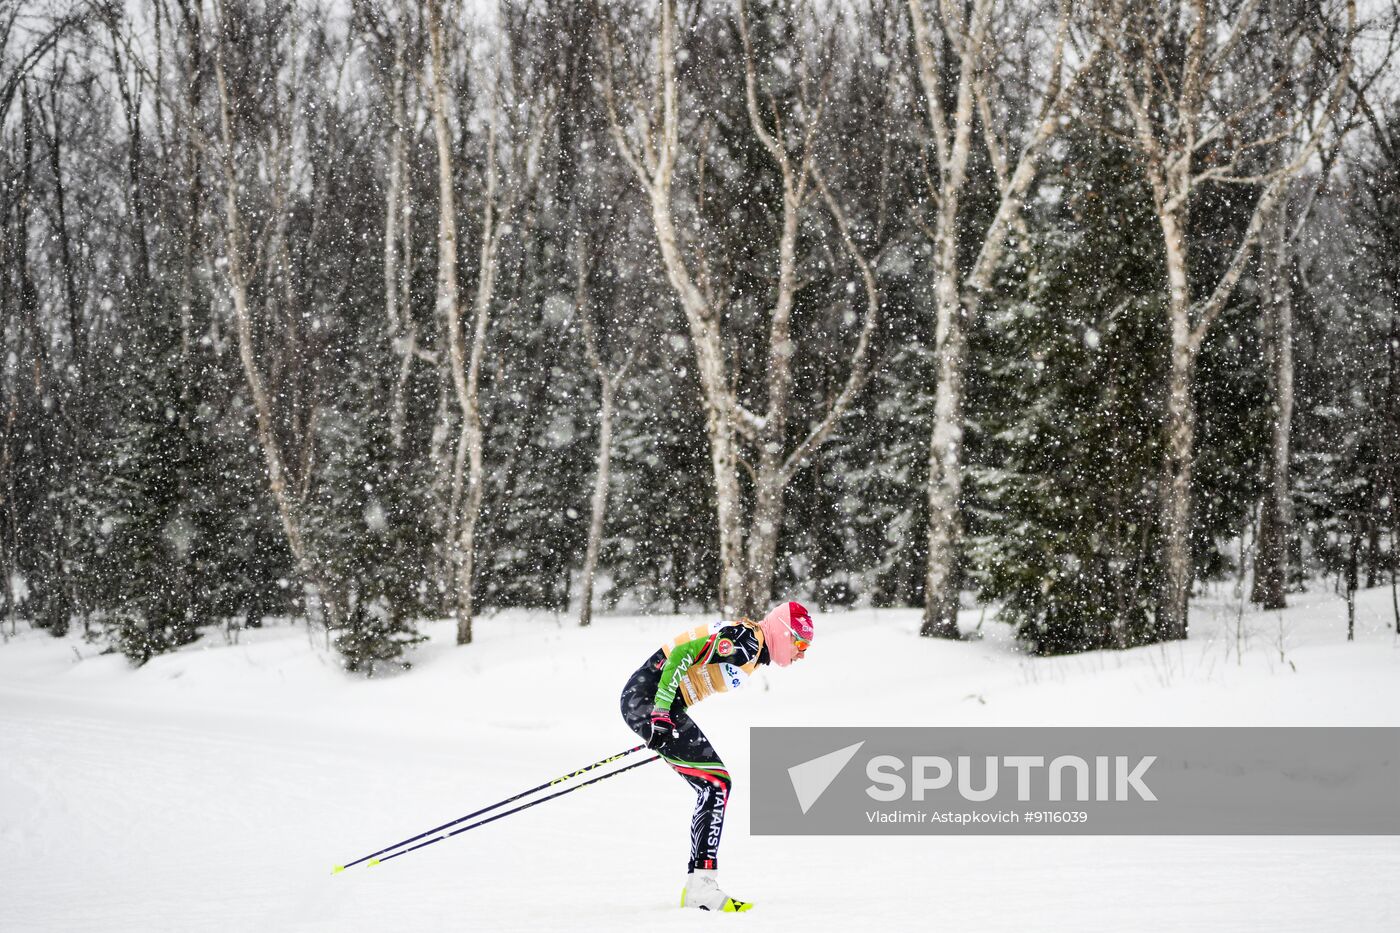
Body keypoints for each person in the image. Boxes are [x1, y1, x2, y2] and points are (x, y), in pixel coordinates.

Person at [619, 600, 814, 912]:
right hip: (648, 700)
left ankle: (700, 884)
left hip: (656, 703)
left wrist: (666, 711)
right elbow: (683, 655)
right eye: (800, 643)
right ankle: (701, 886)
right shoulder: (747, 643)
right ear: (785, 633)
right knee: (716, 784)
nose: (802, 653)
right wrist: (659, 711)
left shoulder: (751, 645)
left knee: (714, 785)